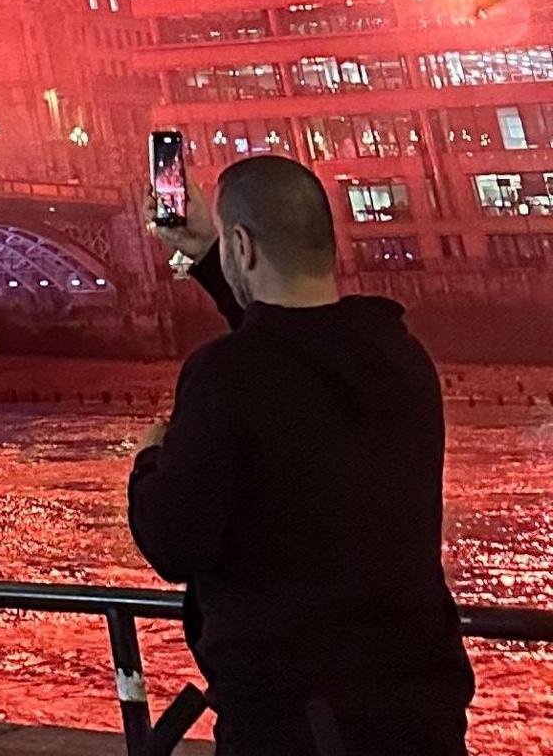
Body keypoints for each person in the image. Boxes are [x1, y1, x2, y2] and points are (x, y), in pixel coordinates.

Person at [130, 155, 473, 755]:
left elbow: (174, 543)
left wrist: (148, 464)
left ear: (243, 244)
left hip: (292, 721)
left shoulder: (224, 376)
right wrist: (217, 258)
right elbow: (295, 355)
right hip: (422, 707)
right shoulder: (401, 359)